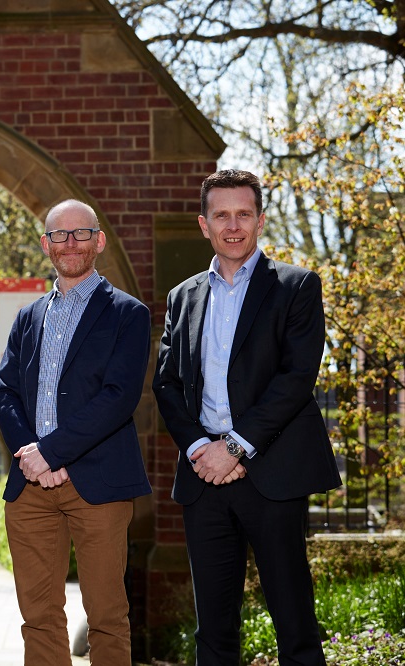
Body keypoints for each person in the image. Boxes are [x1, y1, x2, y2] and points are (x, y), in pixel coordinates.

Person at [152, 169, 342, 664]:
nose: (232, 225)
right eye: (221, 215)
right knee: (212, 630)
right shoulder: (183, 296)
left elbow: (296, 379)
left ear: (259, 220)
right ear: (204, 223)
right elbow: (167, 385)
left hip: (272, 472)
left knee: (294, 621)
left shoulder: (296, 287)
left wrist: (234, 447)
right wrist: (200, 449)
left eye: (243, 214)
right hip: (202, 479)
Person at [0, 199, 152, 666]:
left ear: (99, 241)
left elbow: (118, 398)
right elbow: (4, 391)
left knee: (106, 614)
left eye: (81, 233)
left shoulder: (128, 313)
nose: (70, 243)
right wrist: (31, 455)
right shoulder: (28, 316)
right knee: (38, 616)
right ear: (46, 245)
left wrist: (53, 453)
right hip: (31, 487)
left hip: (98, 483)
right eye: (60, 235)